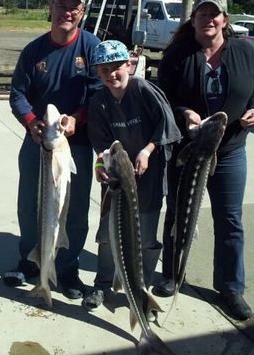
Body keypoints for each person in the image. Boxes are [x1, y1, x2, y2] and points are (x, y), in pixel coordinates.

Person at [154, 0, 254, 321]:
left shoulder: (245, 51)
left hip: (229, 151)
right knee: (176, 212)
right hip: (187, 149)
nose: (209, 19)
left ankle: (231, 288)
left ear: (225, 19)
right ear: (194, 20)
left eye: (215, 14)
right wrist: (184, 111)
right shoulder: (178, 54)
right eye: (202, 14)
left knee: (230, 220)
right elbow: (164, 96)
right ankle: (173, 274)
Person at [5, 0, 101, 299]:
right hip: (38, 140)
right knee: (29, 204)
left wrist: (78, 118)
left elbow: (99, 92)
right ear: (52, 7)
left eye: (75, 7)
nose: (68, 12)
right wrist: (31, 122)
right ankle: (30, 260)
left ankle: (68, 267)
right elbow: (17, 92)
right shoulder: (34, 51)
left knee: (73, 209)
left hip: (78, 144)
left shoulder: (91, 47)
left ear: (82, 12)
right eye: (62, 6)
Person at [83, 40, 181, 310]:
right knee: (107, 232)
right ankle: (102, 284)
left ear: (129, 64)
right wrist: (101, 167)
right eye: (103, 70)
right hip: (116, 178)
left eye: (116, 67)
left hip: (148, 174)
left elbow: (167, 125)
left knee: (146, 235)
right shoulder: (99, 100)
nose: (110, 75)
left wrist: (147, 151)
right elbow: (100, 143)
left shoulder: (144, 89)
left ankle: (141, 287)